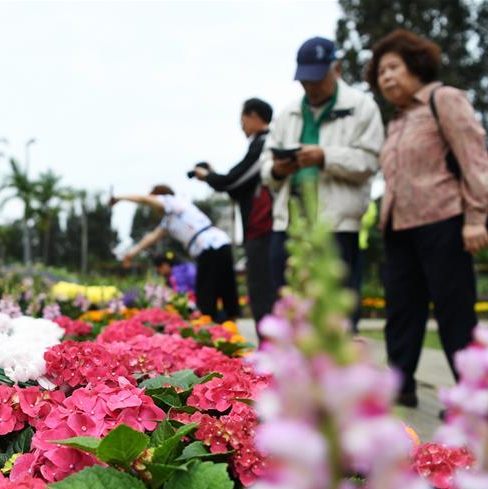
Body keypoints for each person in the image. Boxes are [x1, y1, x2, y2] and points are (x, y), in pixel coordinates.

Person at [366, 28, 488, 407]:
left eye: (393, 67)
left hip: (444, 220)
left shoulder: (444, 99)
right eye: (380, 72)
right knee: (401, 312)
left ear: (416, 65)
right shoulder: (398, 120)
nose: (386, 76)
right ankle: (401, 385)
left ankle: (473, 398)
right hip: (399, 227)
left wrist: (476, 217)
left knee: (455, 310)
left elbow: (474, 160)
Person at [260, 36, 384, 304]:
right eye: (305, 81)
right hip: (290, 226)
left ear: (336, 69)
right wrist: (279, 170)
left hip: (337, 225)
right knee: (286, 303)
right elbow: (265, 167)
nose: (311, 87)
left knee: (336, 310)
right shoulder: (288, 113)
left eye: (317, 79)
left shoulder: (362, 107)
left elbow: (369, 162)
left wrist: (325, 156)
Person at [193, 98, 276, 331]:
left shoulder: (265, 143)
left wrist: (208, 176)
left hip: (264, 228)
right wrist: (214, 176)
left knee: (263, 291)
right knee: (261, 290)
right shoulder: (261, 144)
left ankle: (271, 355)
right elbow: (236, 184)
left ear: (253, 116)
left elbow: (234, 180)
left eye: (242, 120)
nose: (241, 126)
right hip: (259, 229)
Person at [112, 185, 239, 320]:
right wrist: (131, 254)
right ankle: (220, 324)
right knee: (215, 290)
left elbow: (144, 199)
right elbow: (151, 238)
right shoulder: (168, 220)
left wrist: (119, 198)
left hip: (211, 245)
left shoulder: (172, 201)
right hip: (210, 247)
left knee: (214, 290)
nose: (154, 207)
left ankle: (222, 323)